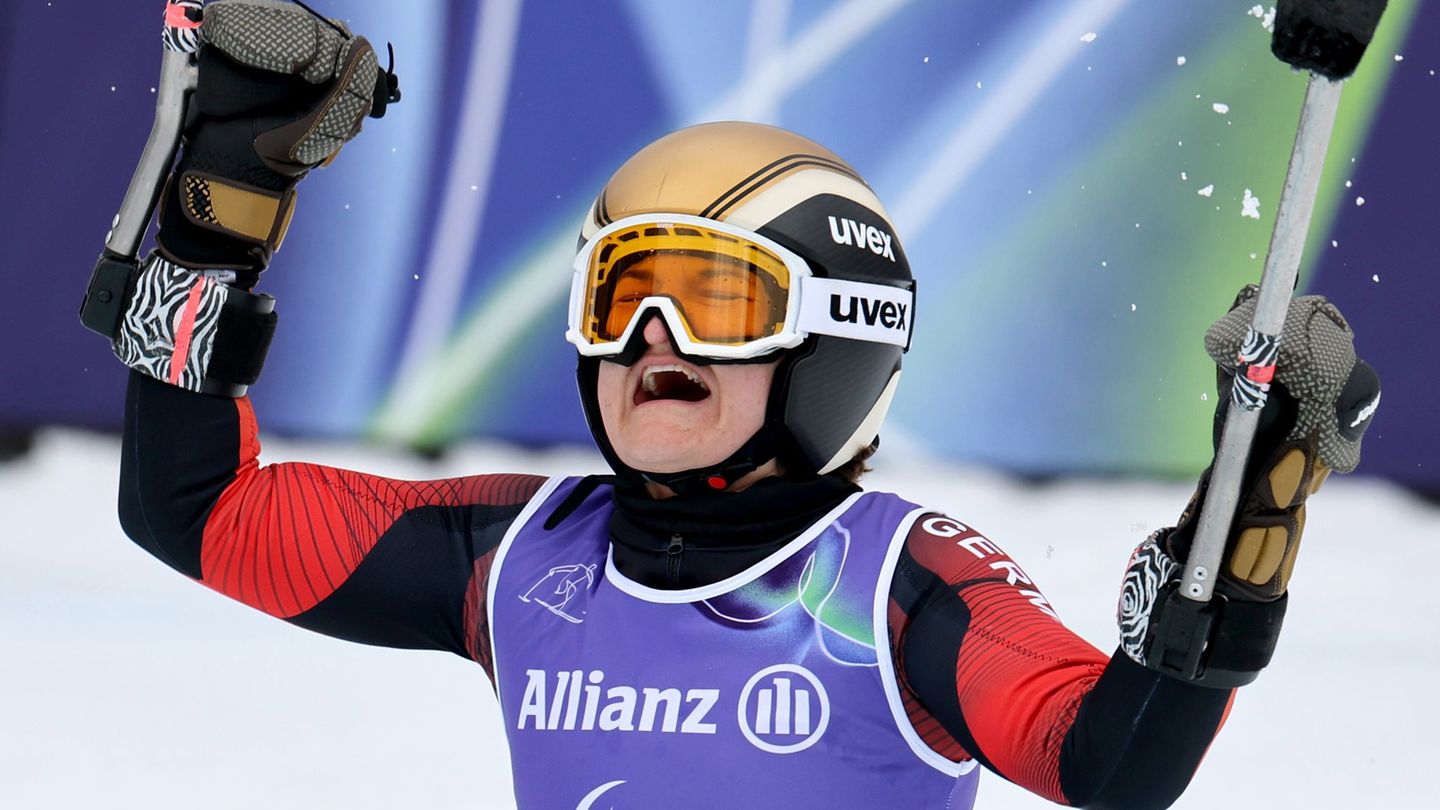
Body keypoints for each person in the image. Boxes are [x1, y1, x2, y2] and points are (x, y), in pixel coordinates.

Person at [96, 3, 1381, 808]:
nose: (651, 339)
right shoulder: (521, 556)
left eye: (715, 302)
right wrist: (217, 220)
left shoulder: (899, 586)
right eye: (621, 296)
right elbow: (192, 508)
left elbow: (1108, 762)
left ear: (838, 343)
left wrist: (1241, 537)